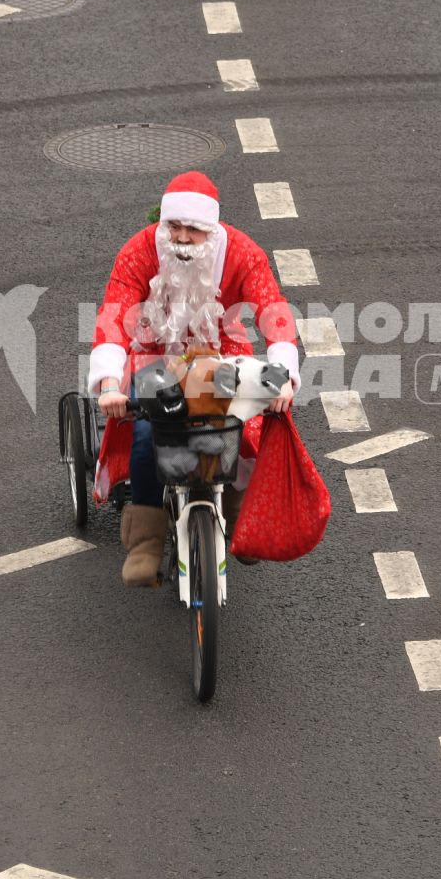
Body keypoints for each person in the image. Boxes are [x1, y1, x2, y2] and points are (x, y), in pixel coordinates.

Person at [90, 172, 300, 586]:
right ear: (164, 224)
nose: (183, 238)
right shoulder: (138, 251)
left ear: (212, 229)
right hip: (154, 353)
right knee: (148, 433)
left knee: (243, 423)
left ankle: (240, 510)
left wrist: (284, 374)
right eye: (175, 226)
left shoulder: (242, 253)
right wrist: (111, 384)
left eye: (194, 229)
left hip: (222, 351)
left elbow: (273, 309)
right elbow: (114, 314)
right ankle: (146, 542)